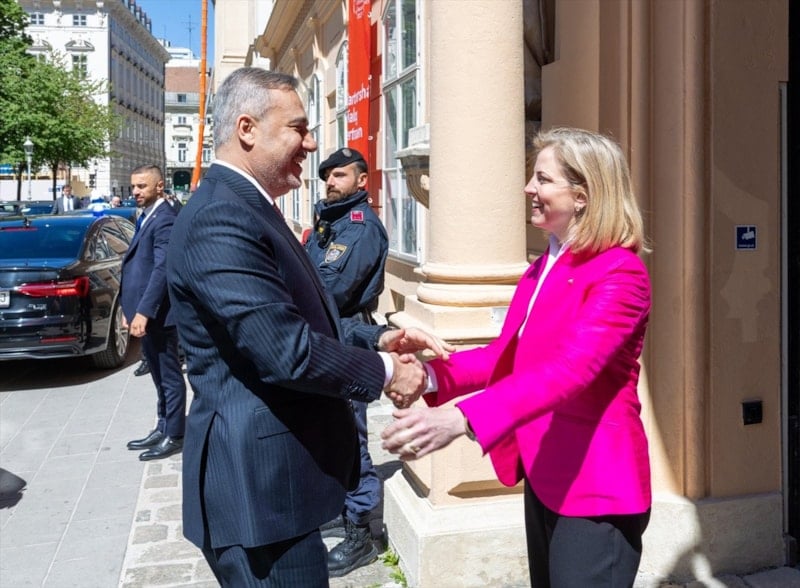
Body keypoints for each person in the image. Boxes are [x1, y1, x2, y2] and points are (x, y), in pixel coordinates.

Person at [165, 67, 451, 587]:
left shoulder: (248, 205)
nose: (312, 143)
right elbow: (287, 350)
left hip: (278, 487)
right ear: (247, 129)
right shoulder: (221, 216)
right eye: (298, 128)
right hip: (258, 492)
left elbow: (296, 315)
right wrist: (389, 370)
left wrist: (378, 337)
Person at [382, 127, 652, 588]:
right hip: (548, 471)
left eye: (543, 179)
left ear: (583, 195)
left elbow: (571, 371)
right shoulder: (544, 265)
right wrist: (427, 375)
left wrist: (462, 419)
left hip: (596, 485)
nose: (529, 188)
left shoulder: (620, 272)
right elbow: (508, 356)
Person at [304, 147, 389, 577]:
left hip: (348, 337)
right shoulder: (330, 223)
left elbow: (330, 290)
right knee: (333, 433)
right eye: (327, 176)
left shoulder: (360, 227)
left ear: (361, 181)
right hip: (327, 336)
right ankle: (344, 508)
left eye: (340, 175)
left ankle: (364, 534)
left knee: (353, 439)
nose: (331, 183)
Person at [121, 164, 187, 461]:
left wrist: (144, 312)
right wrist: (130, 309)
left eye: (142, 186)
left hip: (160, 314)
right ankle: (162, 426)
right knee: (158, 374)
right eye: (133, 186)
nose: (135, 192)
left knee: (169, 374)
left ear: (159, 186)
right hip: (145, 312)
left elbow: (161, 269)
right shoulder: (147, 215)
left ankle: (175, 433)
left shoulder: (165, 219)